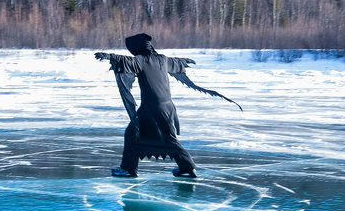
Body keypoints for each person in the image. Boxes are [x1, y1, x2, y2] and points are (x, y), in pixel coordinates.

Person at [94, 33, 240, 179]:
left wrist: (109, 56)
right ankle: (186, 167)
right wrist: (185, 61)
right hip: (167, 107)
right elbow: (176, 62)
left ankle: (128, 169)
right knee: (167, 138)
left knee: (133, 133)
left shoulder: (142, 60)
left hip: (151, 107)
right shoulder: (162, 59)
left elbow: (127, 62)